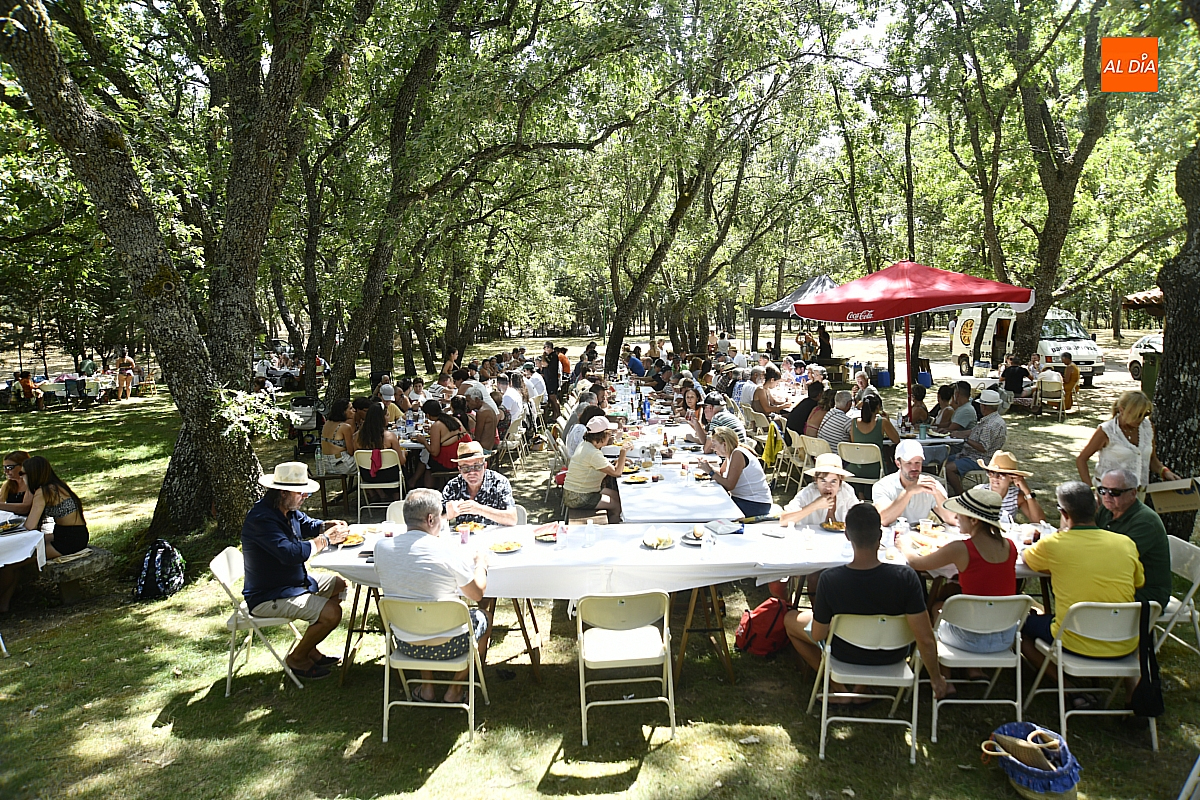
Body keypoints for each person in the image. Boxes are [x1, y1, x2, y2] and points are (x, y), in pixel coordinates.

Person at [782, 503, 948, 699]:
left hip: (846, 653)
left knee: (790, 619)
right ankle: (860, 689)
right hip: (893, 654)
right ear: (880, 535)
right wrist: (936, 679)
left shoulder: (830, 579)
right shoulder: (907, 578)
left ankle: (839, 687)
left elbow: (818, 635)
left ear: (847, 536)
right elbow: (925, 637)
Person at [374, 488, 490, 703]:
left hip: (405, 643)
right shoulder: (447, 548)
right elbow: (477, 594)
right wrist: (481, 564)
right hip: (451, 644)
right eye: (440, 518)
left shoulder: (381, 547)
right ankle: (455, 689)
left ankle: (427, 687)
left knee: (418, 606)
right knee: (484, 616)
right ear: (430, 519)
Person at [240, 462, 349, 680]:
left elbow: (306, 523)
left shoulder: (286, 509)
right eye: (301, 492)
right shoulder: (262, 519)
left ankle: (310, 648)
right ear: (282, 491)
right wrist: (325, 540)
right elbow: (290, 554)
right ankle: (297, 658)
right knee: (331, 613)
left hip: (293, 584)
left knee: (339, 584)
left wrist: (325, 525)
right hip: (270, 594)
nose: (306, 496)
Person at [1021, 482, 1144, 670]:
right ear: (1096, 508)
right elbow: (1139, 582)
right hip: (1123, 641)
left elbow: (1027, 559)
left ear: (1063, 513)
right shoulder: (1125, 543)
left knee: (1021, 626)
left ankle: (1070, 690)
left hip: (1072, 639)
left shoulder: (1054, 544)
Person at [899, 486, 1018, 656]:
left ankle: (944, 675)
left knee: (937, 608)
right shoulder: (1010, 546)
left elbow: (917, 563)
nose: (956, 517)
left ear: (974, 520)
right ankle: (972, 669)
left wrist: (904, 546)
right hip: (1005, 637)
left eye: (960, 513)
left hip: (970, 637)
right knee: (950, 595)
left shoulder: (960, 549)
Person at [1094, 468, 1172, 608]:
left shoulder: (1145, 522)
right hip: (1120, 581)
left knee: (1083, 589)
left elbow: (1118, 561)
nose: (1106, 496)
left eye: (1114, 492)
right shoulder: (1107, 510)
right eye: (1102, 490)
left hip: (1147, 593)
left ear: (1133, 493)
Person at [1076, 390, 1176, 487]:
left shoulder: (1147, 427)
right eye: (1137, 415)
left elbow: (1151, 458)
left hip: (1138, 493)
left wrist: (1164, 471)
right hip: (1110, 495)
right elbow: (1081, 459)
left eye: (1145, 414)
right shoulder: (1107, 431)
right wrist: (1089, 490)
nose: (1141, 419)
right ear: (1121, 410)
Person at [872, 440, 957, 526]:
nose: (914, 468)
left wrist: (938, 494)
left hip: (921, 536)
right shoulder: (883, 486)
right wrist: (908, 492)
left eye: (917, 463)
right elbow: (883, 519)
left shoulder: (930, 484)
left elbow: (952, 519)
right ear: (898, 464)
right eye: (908, 463)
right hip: (893, 536)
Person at [564, 416, 628, 523]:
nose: (610, 437)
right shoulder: (593, 453)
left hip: (576, 491)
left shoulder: (586, 445)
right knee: (616, 505)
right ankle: (614, 529)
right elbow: (617, 472)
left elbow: (602, 465)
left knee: (617, 496)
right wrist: (623, 452)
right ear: (602, 436)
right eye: (609, 434)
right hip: (578, 496)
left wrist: (618, 461)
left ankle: (614, 521)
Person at [698, 427, 773, 518]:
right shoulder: (731, 453)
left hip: (755, 503)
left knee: (711, 511)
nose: (712, 447)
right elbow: (722, 474)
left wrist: (710, 471)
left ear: (724, 444)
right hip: (743, 499)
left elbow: (729, 485)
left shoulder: (738, 454)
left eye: (714, 444)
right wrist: (707, 467)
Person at [442, 441, 518, 527]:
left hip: (494, 537)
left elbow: (512, 519)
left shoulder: (499, 482)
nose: (472, 472)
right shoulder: (453, 486)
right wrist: (448, 516)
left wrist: (479, 509)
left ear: (485, 466)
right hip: (464, 537)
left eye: (477, 467)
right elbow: (433, 520)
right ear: (459, 469)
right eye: (466, 468)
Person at [946, 389, 1007, 495]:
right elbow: (976, 431)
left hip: (980, 459)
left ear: (984, 407)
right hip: (979, 456)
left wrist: (965, 439)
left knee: (948, 468)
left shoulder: (989, 425)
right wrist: (959, 434)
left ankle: (960, 495)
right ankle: (953, 486)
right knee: (943, 459)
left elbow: (983, 447)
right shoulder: (995, 420)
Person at [780, 452, 859, 527]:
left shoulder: (847, 492)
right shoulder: (808, 493)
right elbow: (783, 520)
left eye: (833, 481)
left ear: (840, 481)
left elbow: (860, 518)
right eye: (823, 481)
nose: (828, 487)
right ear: (816, 480)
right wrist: (815, 505)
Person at [354, 404, 407, 501]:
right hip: (389, 476)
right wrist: (404, 453)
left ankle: (383, 496)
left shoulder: (358, 437)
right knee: (400, 469)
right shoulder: (389, 437)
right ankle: (397, 497)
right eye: (387, 415)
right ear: (381, 418)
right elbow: (402, 461)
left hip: (368, 475)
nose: (389, 417)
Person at [412, 399, 472, 486]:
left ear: (428, 415)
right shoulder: (453, 419)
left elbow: (434, 452)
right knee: (425, 457)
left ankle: (428, 488)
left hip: (451, 461)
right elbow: (449, 434)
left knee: (427, 462)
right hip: (464, 456)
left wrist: (424, 441)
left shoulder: (436, 426)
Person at [845, 395, 899, 479]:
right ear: (878, 407)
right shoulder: (883, 422)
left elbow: (854, 441)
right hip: (875, 469)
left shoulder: (854, 422)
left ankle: (861, 491)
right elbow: (896, 440)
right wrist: (887, 421)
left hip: (856, 467)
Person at [319, 399, 358, 475]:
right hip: (342, 464)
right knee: (367, 463)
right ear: (343, 412)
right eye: (350, 408)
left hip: (326, 464)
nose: (354, 410)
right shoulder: (345, 427)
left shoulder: (327, 423)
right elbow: (351, 452)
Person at [464, 385, 498, 453]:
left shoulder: (482, 412)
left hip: (483, 449)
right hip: (489, 447)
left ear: (476, 399)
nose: (467, 404)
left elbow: (477, 437)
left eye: (468, 401)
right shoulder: (488, 408)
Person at [0, 451, 32, 516]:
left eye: (9, 467)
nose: (6, 471)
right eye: (4, 467)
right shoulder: (8, 485)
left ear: (23, 466)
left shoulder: (32, 484)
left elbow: (25, 508)